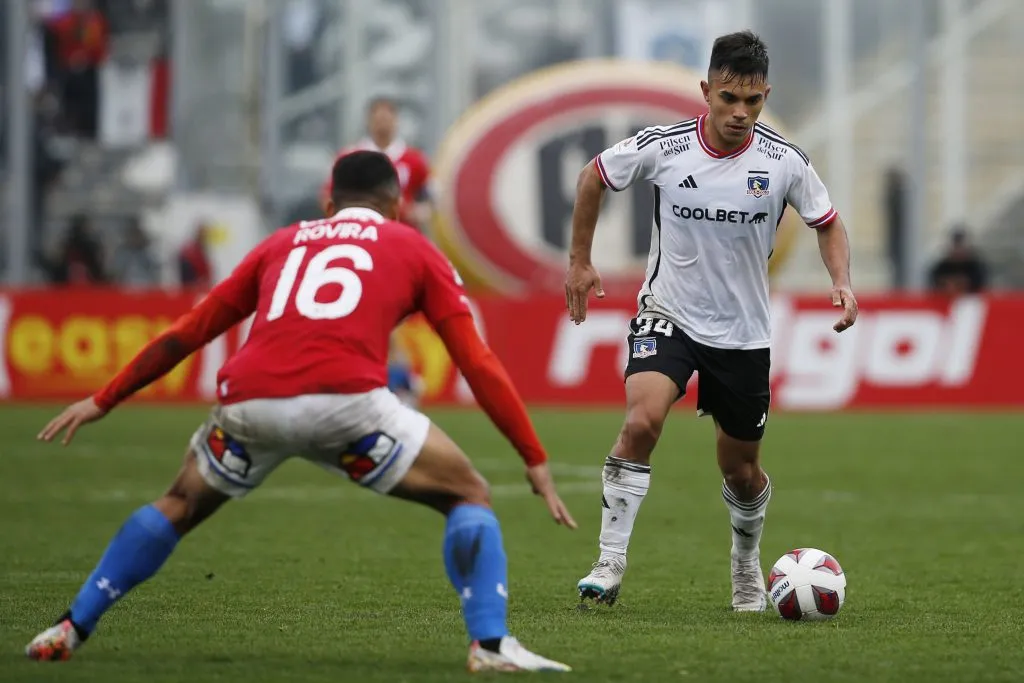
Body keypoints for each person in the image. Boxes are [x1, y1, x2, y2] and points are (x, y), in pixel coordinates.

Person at [27, 151, 576, 673]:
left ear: (330, 205)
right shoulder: (410, 245)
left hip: (248, 404)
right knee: (468, 494)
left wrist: (105, 398)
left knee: (178, 503)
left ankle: (70, 627)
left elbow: (191, 330)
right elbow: (475, 359)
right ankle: (489, 644)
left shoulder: (280, 243)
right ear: (396, 207)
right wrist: (533, 455)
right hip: (347, 407)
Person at [564, 31, 857, 611]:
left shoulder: (785, 162)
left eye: (752, 102)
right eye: (728, 99)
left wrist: (841, 280)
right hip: (667, 312)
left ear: (765, 97)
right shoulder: (663, 147)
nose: (740, 113)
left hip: (743, 333)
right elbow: (594, 174)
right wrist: (578, 261)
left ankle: (746, 564)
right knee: (642, 420)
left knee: (740, 468)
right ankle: (609, 561)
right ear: (706, 91)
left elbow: (827, 221)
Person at [321, 97, 432, 230]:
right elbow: (327, 194)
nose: (382, 124)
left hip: (401, 230)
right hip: (359, 229)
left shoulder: (414, 159)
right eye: (378, 119)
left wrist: (418, 212)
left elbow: (429, 195)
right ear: (369, 121)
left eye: (386, 118)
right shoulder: (351, 158)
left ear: (395, 120)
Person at [928, 226, 988, 296]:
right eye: (956, 246)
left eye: (960, 246)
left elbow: (980, 287)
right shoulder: (941, 268)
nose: (958, 251)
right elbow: (933, 285)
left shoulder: (976, 267)